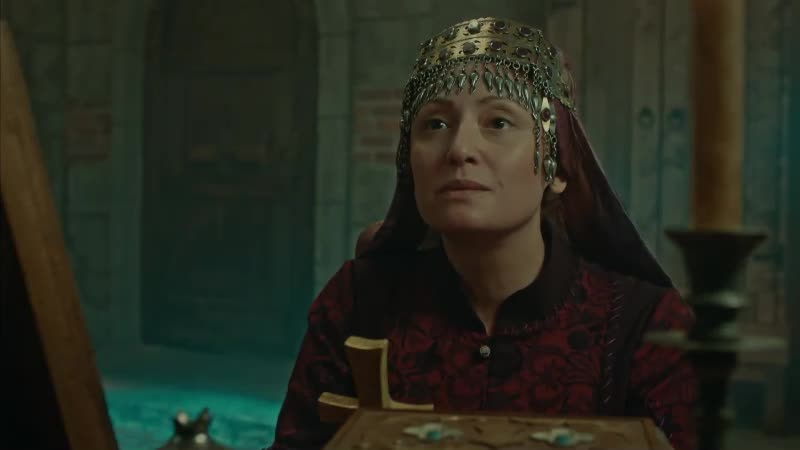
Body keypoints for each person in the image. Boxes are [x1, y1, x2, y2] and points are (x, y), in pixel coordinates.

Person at [267, 17, 696, 450]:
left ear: (558, 168)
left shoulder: (645, 326)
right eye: (435, 124)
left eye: (498, 122)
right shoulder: (356, 303)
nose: (459, 149)